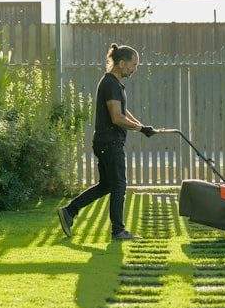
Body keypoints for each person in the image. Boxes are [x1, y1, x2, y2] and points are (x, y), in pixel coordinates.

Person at [57, 43, 156, 240]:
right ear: (121, 63)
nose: (135, 69)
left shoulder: (115, 83)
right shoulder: (110, 83)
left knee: (106, 185)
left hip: (105, 142)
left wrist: (142, 126)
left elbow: (122, 111)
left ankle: (69, 211)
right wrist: (140, 128)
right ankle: (118, 231)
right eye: (133, 64)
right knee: (119, 185)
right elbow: (116, 118)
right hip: (110, 143)